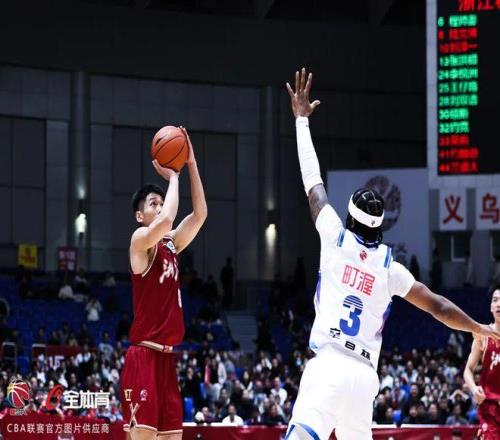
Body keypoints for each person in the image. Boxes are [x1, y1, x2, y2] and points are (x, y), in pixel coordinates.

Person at [284, 67, 500, 440]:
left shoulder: (334, 236)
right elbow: (439, 307)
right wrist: (479, 327)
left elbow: (313, 183)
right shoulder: (390, 268)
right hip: (364, 377)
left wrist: (301, 121)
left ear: (350, 218)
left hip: (329, 363)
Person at [120, 127, 207, 440]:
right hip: (143, 357)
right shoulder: (139, 242)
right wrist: (174, 177)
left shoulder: (170, 244)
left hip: (167, 359)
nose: (159, 208)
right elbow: (168, 219)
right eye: (153, 204)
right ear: (139, 216)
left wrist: (191, 163)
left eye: (161, 203)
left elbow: (199, 214)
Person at [463, 284, 500, 440]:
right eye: (495, 300)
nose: (498, 304)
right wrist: (473, 388)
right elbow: (468, 370)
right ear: (491, 307)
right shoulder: (482, 335)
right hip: (489, 409)